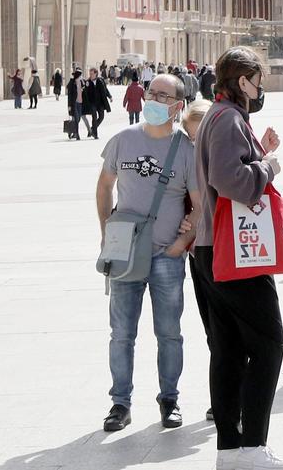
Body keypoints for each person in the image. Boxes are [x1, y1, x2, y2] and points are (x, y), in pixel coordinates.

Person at [192, 47, 283, 469]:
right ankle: (253, 446)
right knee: (270, 344)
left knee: (229, 350)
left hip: (210, 248)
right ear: (242, 82)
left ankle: (230, 451)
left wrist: (257, 151)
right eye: (258, 81)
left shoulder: (218, 116)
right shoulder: (230, 118)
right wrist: (268, 166)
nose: (261, 89)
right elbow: (230, 179)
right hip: (236, 251)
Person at [98, 72, 198, 432]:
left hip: (167, 257)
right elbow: (104, 186)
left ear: (176, 106)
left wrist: (181, 243)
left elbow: (199, 204)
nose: (153, 99)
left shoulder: (185, 149)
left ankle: (169, 399)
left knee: (169, 332)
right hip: (125, 253)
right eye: (151, 92)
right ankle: (119, 403)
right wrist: (105, 232)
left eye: (162, 95)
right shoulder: (122, 140)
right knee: (121, 332)